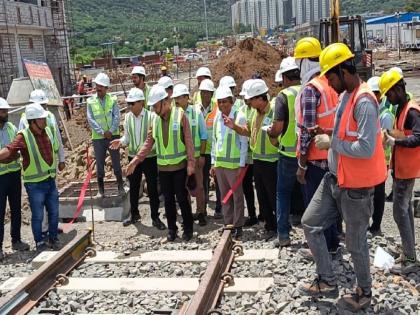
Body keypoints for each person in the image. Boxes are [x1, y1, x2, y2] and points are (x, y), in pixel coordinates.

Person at [298, 43, 387, 312]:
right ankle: (327, 279)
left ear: (343, 71)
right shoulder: (346, 95)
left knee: (355, 243)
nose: (330, 84)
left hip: (356, 187)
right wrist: (325, 135)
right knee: (310, 223)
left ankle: (364, 291)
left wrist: (331, 144)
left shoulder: (364, 102)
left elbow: (366, 147)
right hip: (335, 178)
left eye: (332, 77)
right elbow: (344, 133)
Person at [126, 85, 195, 242]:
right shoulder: (155, 120)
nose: (155, 110)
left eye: (156, 106)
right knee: (168, 201)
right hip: (163, 169)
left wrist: (191, 163)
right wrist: (136, 160)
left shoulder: (180, 115)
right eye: (153, 107)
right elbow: (149, 142)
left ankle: (188, 228)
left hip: (179, 167)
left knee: (182, 199)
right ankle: (172, 229)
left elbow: (189, 141)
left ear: (165, 102)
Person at [294, 37, 340, 253]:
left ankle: (320, 250)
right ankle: (332, 246)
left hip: (314, 160)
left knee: (315, 209)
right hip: (332, 156)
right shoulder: (329, 84)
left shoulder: (311, 90)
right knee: (329, 207)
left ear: (304, 62)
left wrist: (302, 165)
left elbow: (307, 131)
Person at [0, 103, 64, 251]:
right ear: (33, 121)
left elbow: (56, 146)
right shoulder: (24, 135)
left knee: (53, 212)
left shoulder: (46, 130)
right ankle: (39, 243)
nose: (45, 120)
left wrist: (61, 159)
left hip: (45, 179)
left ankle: (52, 239)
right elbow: (10, 150)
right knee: (37, 215)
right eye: (41, 118)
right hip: (33, 184)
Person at [380, 69, 420, 274]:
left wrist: (396, 140)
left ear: (398, 88)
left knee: (399, 213)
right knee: (405, 212)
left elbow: (418, 138)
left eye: (389, 93)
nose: (387, 97)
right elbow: (405, 133)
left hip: (407, 170)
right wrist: (390, 135)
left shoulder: (412, 111)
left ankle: (411, 258)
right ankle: (409, 250)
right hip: (401, 169)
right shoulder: (401, 109)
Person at [109, 88, 165, 230]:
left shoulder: (151, 117)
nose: (130, 106)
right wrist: (120, 142)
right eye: (129, 104)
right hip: (133, 157)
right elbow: (127, 137)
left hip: (150, 157)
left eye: (133, 103)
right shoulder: (128, 118)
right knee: (134, 187)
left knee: (152, 188)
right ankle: (134, 214)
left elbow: (153, 139)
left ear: (141, 103)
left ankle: (155, 217)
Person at [20, 90, 66, 239]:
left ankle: (51, 229)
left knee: (52, 204)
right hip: (35, 170)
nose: (44, 108)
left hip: (49, 167)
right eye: (41, 105)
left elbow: (57, 139)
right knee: (39, 209)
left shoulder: (50, 117)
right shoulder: (24, 119)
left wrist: (61, 158)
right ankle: (43, 231)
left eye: (44, 105)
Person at [266, 57, 302, 247]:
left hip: (288, 155)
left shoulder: (284, 96)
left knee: (283, 193)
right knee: (310, 194)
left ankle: (284, 235)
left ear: (285, 78)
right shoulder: (308, 90)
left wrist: (269, 131)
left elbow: (277, 127)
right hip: (307, 154)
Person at [211, 86, 248, 239]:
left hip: (234, 165)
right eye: (219, 102)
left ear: (231, 102)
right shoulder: (217, 119)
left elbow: (243, 142)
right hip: (220, 165)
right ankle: (228, 224)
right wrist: (213, 162)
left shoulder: (239, 117)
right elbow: (215, 141)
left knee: (237, 197)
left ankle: (238, 225)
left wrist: (241, 164)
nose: (222, 105)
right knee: (225, 197)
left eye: (225, 102)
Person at [172, 84, 208, 226]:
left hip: (196, 157)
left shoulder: (196, 112)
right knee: (184, 187)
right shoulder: (175, 115)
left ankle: (201, 213)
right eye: (175, 98)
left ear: (187, 98)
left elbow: (203, 136)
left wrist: (202, 155)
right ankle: (187, 214)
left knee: (198, 186)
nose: (176, 100)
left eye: (179, 97)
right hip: (182, 159)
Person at [0, 98, 30, 260]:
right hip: (0, 177)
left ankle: (16, 240)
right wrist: (7, 157)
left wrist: (9, 157)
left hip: (14, 174)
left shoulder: (12, 127)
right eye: (3, 111)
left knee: (16, 208)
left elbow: (17, 150)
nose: (6, 113)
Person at [87, 73, 123, 196]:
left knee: (116, 162)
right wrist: (102, 132)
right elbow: (90, 119)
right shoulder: (90, 101)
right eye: (97, 85)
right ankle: (101, 190)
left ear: (106, 88)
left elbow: (117, 116)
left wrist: (111, 131)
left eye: (101, 86)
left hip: (113, 136)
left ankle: (120, 187)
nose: (98, 88)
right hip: (98, 138)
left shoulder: (112, 100)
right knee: (100, 165)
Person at [367, 76, 394, 237]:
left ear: (380, 95)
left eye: (374, 93)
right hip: (373, 159)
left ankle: (376, 226)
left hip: (381, 161)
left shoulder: (385, 115)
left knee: (378, 195)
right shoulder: (375, 110)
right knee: (371, 193)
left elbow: (384, 140)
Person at [196, 79, 223, 219]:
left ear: (212, 94)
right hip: (201, 152)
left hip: (214, 151)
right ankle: (203, 207)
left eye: (208, 93)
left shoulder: (217, 109)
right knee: (202, 181)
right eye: (203, 92)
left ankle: (219, 208)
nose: (205, 95)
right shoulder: (196, 109)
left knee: (217, 180)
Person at [238, 80, 258, 226]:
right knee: (247, 188)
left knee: (261, 186)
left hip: (257, 155)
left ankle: (264, 213)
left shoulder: (258, 108)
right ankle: (252, 214)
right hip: (246, 156)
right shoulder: (243, 109)